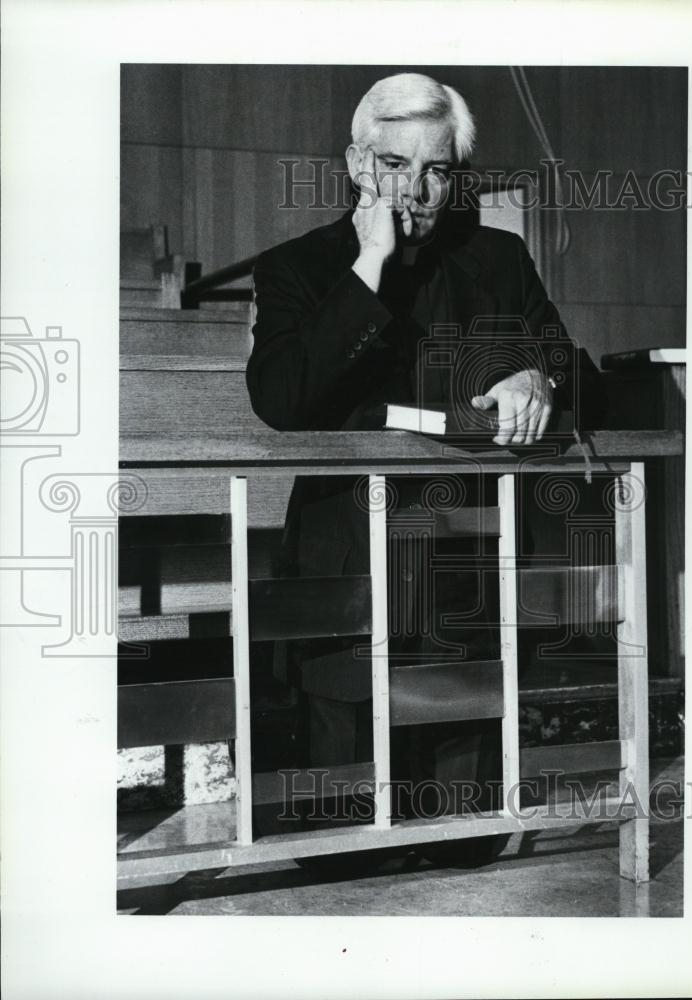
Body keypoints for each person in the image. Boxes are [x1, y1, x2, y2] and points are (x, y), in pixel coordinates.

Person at [246, 73, 604, 867]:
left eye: (437, 168)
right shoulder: (300, 268)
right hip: (347, 554)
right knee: (346, 838)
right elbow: (282, 398)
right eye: (396, 164)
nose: (418, 188)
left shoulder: (497, 259)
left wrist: (535, 378)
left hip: (461, 549)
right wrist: (369, 265)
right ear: (355, 163)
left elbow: (580, 374)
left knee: (463, 839)